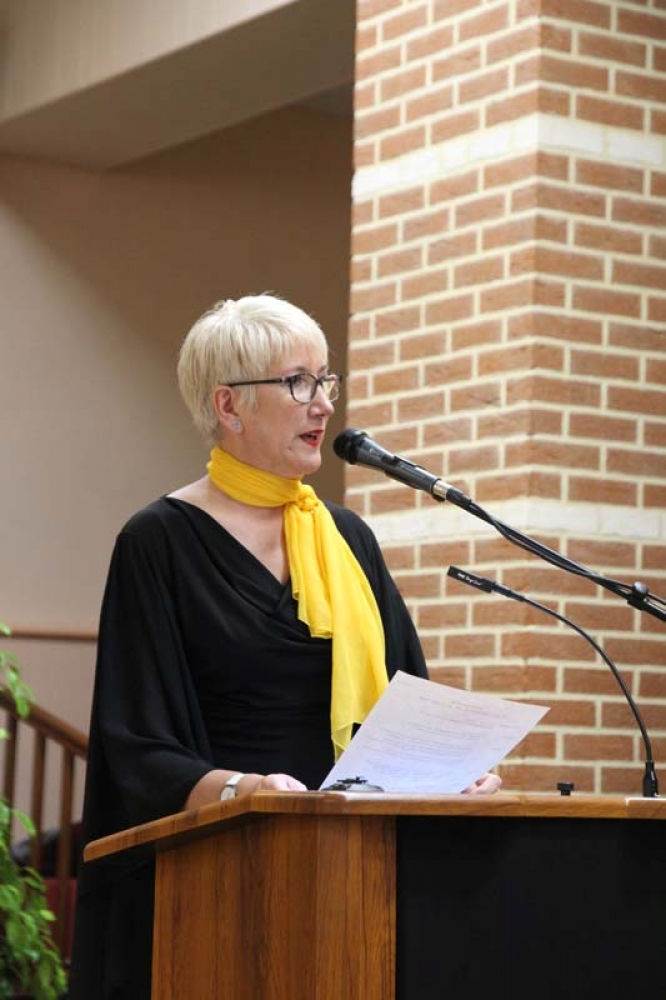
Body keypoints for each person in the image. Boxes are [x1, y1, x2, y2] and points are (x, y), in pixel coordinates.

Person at [68, 294, 500, 999]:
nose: (323, 404)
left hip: (357, 874)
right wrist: (244, 790)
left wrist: (454, 770)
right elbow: (135, 745)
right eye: (298, 382)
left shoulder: (347, 538)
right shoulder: (158, 541)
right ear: (229, 406)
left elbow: (408, 704)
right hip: (218, 877)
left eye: (326, 380)